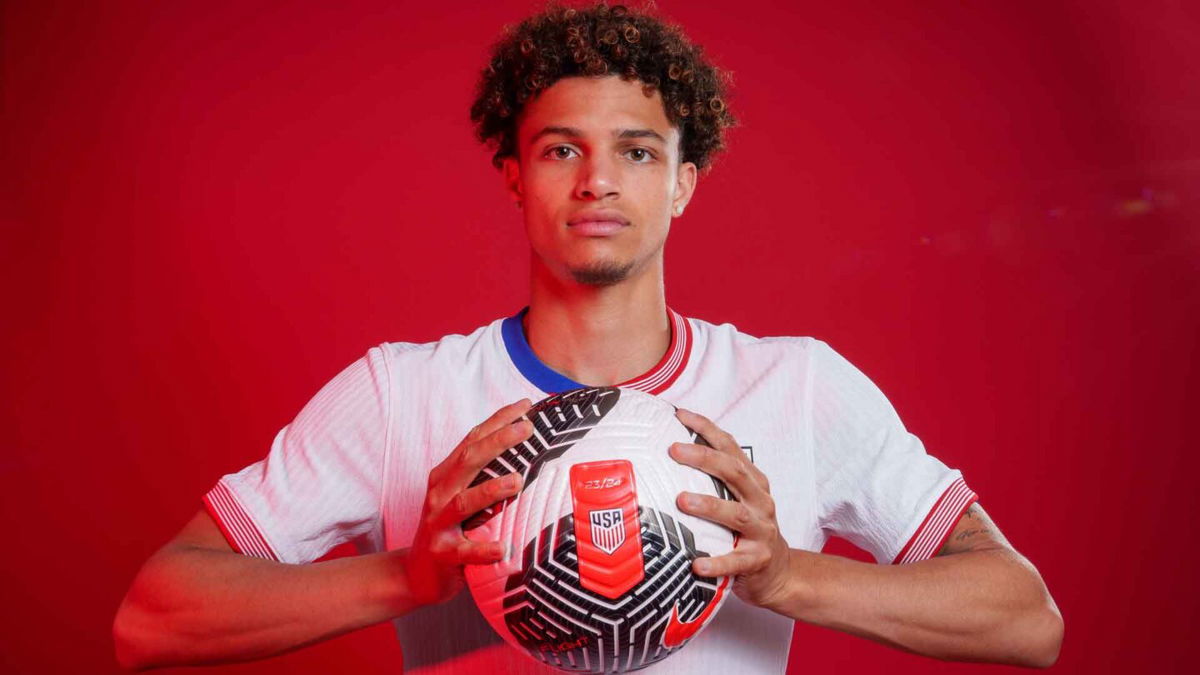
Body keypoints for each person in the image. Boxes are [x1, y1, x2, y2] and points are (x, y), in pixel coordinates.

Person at [113, 3, 1062, 672]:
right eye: (562, 148)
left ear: (684, 182)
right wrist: (406, 577)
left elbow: (1025, 618)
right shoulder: (401, 394)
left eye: (638, 151)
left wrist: (787, 576)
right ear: (514, 176)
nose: (598, 181)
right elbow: (151, 618)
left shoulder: (798, 386)